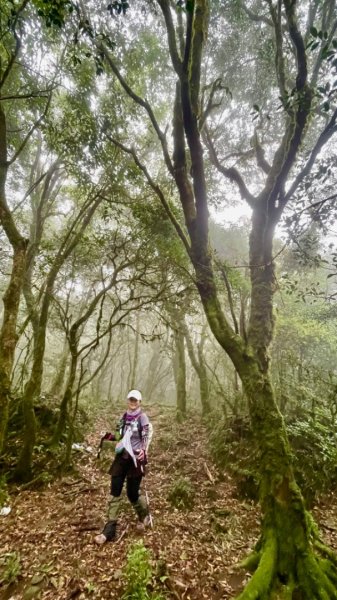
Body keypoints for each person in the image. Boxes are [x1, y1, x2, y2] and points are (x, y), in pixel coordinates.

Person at [95, 389, 152, 544]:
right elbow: (120, 435)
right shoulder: (124, 417)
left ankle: (143, 515)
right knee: (115, 491)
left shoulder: (142, 417)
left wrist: (144, 450)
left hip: (135, 460)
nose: (132, 403)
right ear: (128, 401)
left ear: (140, 402)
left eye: (135, 400)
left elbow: (146, 435)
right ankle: (110, 529)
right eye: (130, 400)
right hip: (121, 458)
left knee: (132, 494)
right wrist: (109, 436)